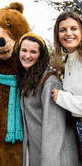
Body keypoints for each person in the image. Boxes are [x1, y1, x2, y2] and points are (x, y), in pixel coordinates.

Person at [16, 32, 80, 166]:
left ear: (40, 56)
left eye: (33, 52)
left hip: (57, 159)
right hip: (37, 154)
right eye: (24, 50)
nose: (27, 55)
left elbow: (54, 133)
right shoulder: (28, 79)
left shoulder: (49, 83)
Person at [52, 11, 82, 157]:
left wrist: (62, 98)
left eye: (74, 28)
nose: (68, 33)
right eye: (63, 30)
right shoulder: (70, 59)